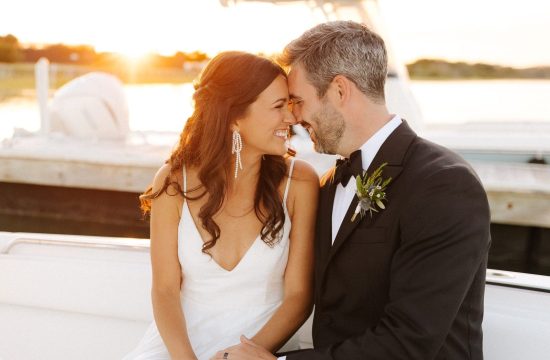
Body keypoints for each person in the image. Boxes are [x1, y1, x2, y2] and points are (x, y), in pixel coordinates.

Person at [215, 21, 491, 360]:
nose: (294, 116)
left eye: (298, 100)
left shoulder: (444, 185)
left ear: (340, 91)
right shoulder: (330, 182)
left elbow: (410, 342)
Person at [124, 51, 319, 360]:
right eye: (279, 106)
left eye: (291, 105)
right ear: (234, 117)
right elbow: (164, 290)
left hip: (261, 348)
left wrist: (242, 355)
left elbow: (298, 297)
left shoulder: (300, 182)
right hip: (179, 349)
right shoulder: (173, 183)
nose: (292, 118)